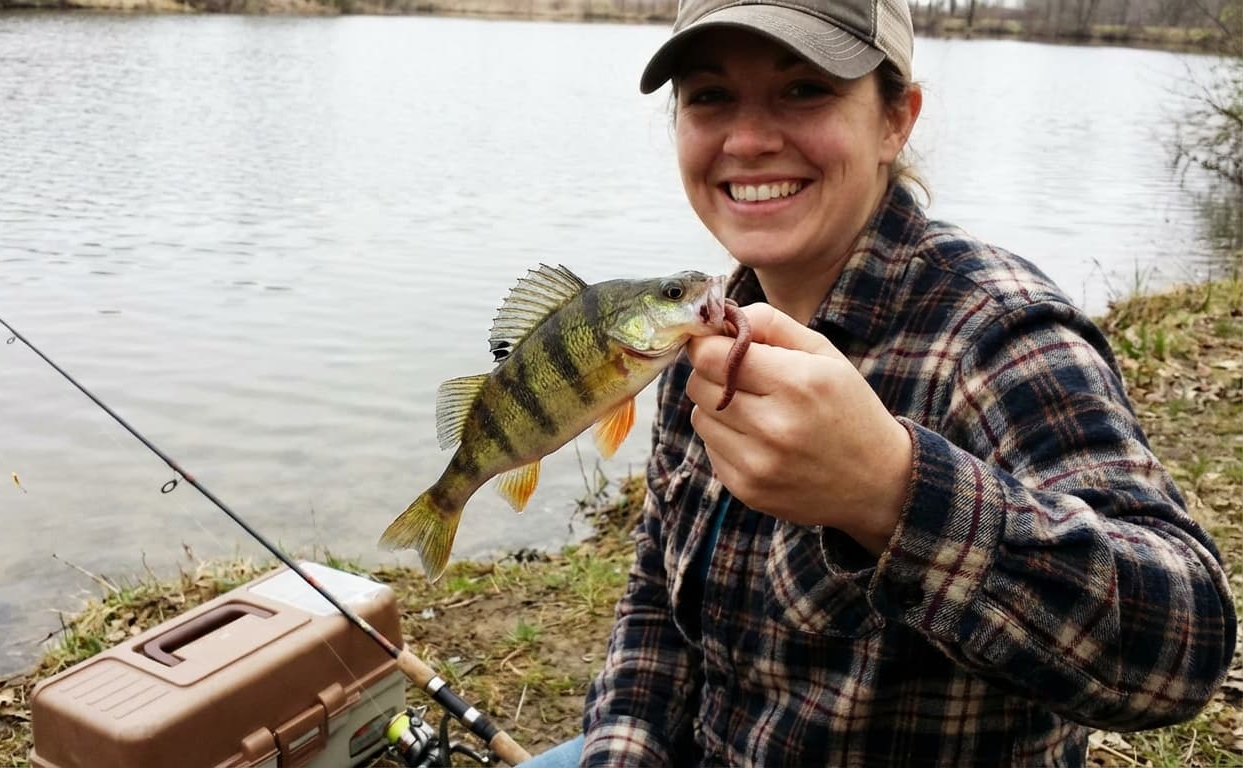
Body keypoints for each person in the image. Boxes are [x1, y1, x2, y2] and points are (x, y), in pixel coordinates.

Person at [519, 0, 1238, 764]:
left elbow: (1183, 649)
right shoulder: (696, 332)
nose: (749, 140)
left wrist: (893, 494)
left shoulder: (996, 338)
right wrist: (622, 750)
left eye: (804, 90)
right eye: (710, 96)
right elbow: (655, 608)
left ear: (897, 120)